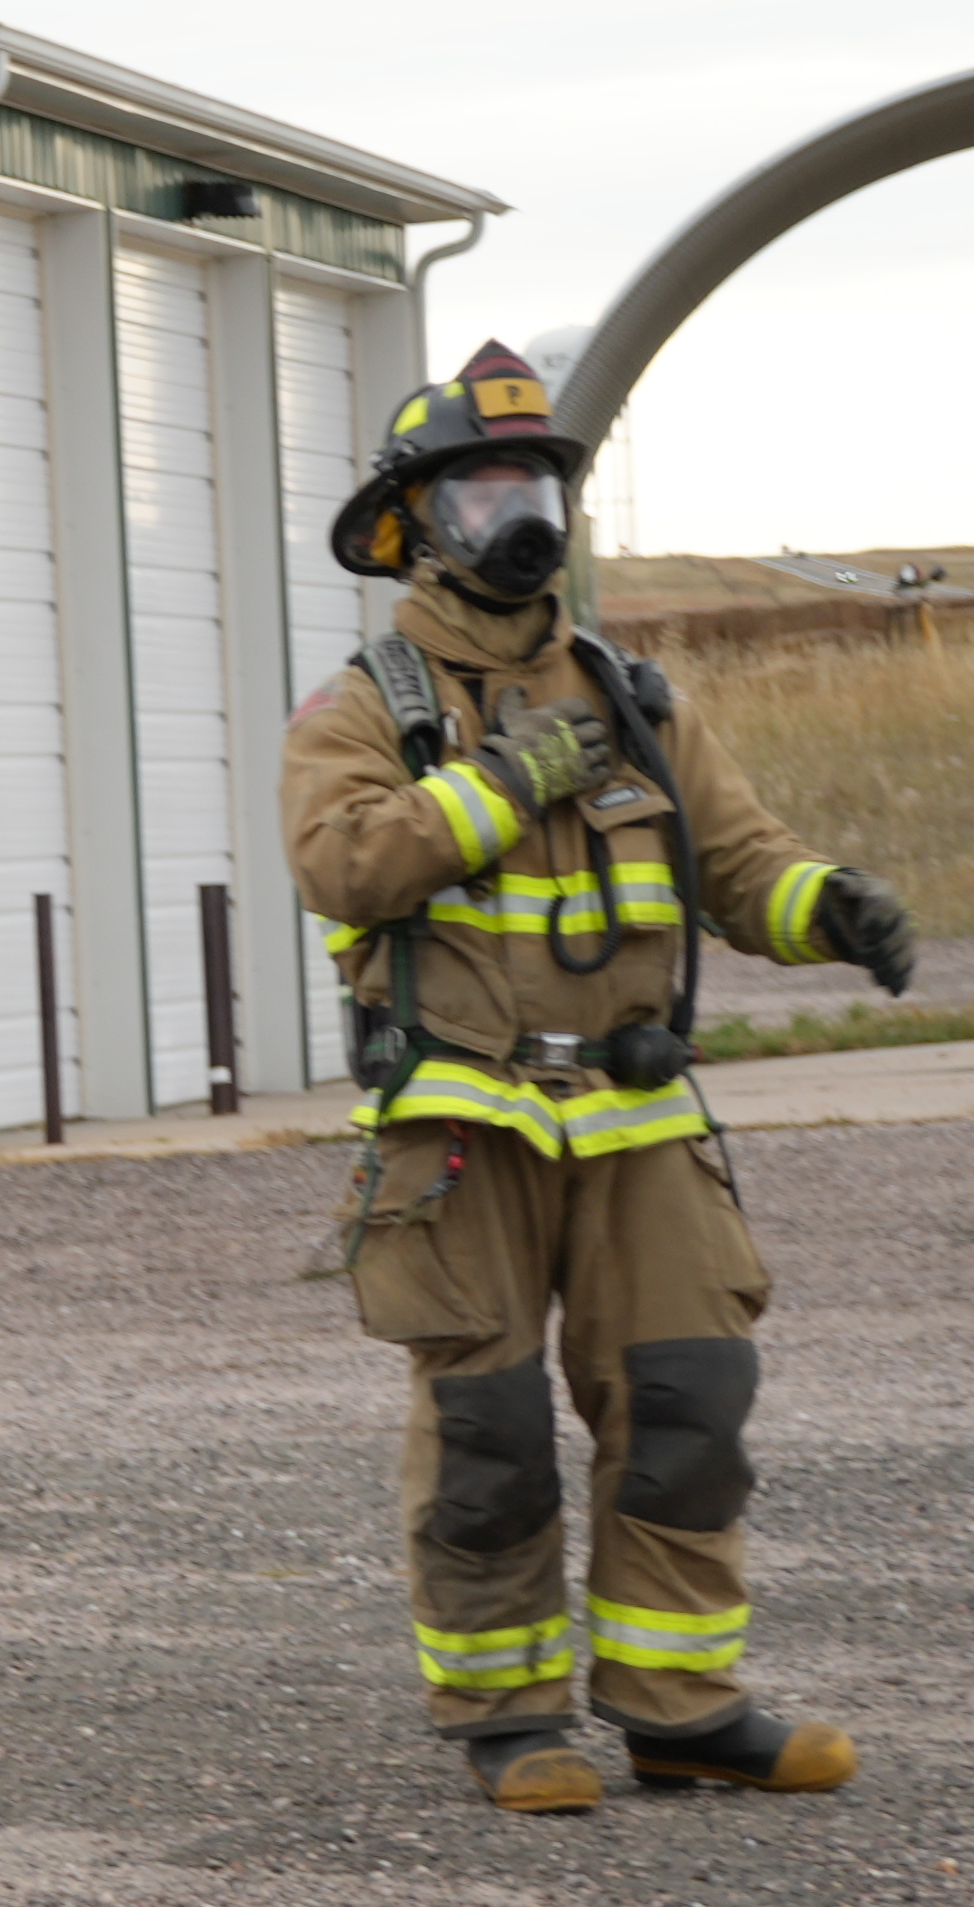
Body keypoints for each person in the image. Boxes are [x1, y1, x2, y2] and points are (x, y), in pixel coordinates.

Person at [277, 342, 910, 1808]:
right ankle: (508, 1718)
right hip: (466, 1120)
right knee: (490, 1429)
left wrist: (837, 908)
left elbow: (738, 866)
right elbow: (345, 861)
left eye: (537, 480)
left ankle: (680, 1708)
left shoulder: (636, 695)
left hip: (638, 1120)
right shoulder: (366, 703)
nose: (522, 510)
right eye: (489, 484)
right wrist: (510, 779)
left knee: (690, 1399)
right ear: (419, 520)